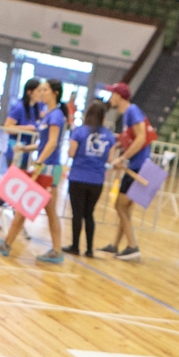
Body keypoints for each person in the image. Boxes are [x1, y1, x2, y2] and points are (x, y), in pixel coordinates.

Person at [0, 77, 66, 264]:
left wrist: (38, 161)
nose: (43, 92)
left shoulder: (55, 116)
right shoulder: (49, 114)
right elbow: (44, 143)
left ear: (55, 93)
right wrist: (27, 149)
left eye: (46, 89)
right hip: (43, 166)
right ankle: (8, 243)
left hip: (48, 169)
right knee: (29, 207)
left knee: (43, 210)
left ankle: (54, 250)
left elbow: (53, 143)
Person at [0, 76, 41, 223]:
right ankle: (0, 214)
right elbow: (8, 127)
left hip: (26, 152)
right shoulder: (19, 108)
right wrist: (25, 128)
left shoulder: (36, 109)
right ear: (30, 92)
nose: (41, 93)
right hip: (16, 150)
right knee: (15, 182)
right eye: (38, 90)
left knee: (16, 183)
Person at [105, 82, 148, 263]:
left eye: (112, 94)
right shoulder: (127, 114)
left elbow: (142, 137)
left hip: (140, 166)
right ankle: (116, 244)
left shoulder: (132, 111)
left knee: (120, 205)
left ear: (119, 96)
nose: (110, 98)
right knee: (125, 207)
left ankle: (132, 246)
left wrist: (123, 158)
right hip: (138, 164)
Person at [65, 98, 114, 257]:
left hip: (78, 177)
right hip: (97, 180)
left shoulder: (79, 132)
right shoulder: (109, 136)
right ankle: (90, 249)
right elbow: (109, 159)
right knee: (89, 214)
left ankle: (75, 246)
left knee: (77, 214)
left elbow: (71, 153)